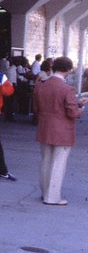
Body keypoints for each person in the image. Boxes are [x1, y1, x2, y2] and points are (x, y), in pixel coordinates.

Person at [33, 56, 88, 205]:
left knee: (46, 161)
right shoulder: (68, 89)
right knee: (58, 163)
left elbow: (36, 107)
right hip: (62, 130)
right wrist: (81, 106)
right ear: (69, 70)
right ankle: (52, 197)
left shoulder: (40, 85)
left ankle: (44, 192)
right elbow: (72, 113)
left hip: (45, 126)